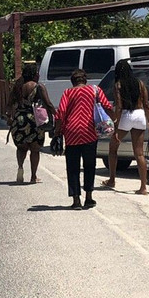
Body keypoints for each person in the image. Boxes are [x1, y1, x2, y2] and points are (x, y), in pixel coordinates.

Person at [54, 68, 113, 209]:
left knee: (73, 167)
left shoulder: (68, 92)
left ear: (72, 81)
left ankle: (76, 200)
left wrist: (57, 132)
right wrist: (114, 121)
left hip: (71, 133)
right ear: (85, 80)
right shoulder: (95, 90)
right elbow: (107, 106)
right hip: (89, 133)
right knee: (89, 165)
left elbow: (61, 113)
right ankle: (89, 197)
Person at [105, 59, 149, 194]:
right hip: (139, 115)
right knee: (139, 153)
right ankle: (143, 187)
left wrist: (115, 124)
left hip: (126, 115)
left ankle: (112, 179)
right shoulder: (140, 84)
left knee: (113, 148)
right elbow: (146, 105)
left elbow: (119, 106)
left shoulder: (118, 85)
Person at [6, 64, 54, 185]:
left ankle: (20, 167)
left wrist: (9, 117)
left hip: (19, 120)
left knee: (21, 148)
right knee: (35, 149)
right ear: (34, 74)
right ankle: (33, 176)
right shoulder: (38, 87)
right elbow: (48, 103)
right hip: (34, 121)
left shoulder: (17, 87)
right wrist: (55, 115)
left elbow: (9, 104)